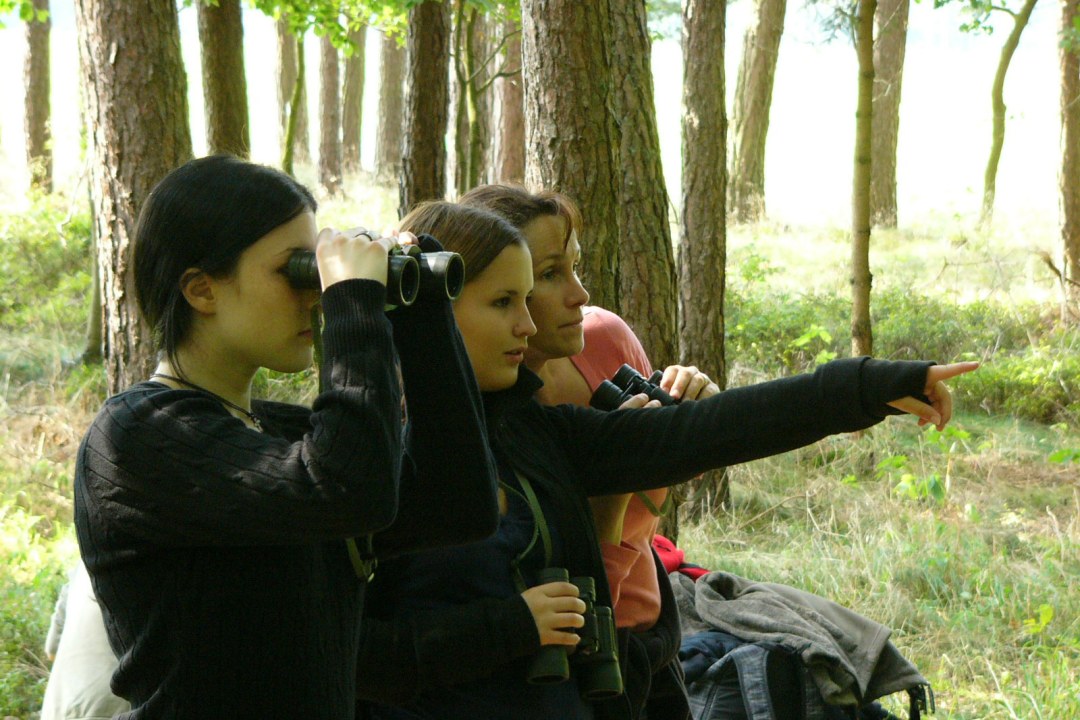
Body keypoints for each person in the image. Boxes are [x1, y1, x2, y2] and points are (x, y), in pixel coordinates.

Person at [354, 199, 977, 720]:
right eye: (502, 304)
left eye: (526, 297)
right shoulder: (366, 459)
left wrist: (867, 388)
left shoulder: (543, 434)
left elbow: (714, 430)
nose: (527, 324)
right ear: (425, 306)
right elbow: (352, 659)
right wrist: (509, 628)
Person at [73, 156, 499, 719]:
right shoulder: (135, 438)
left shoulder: (279, 435)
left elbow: (458, 505)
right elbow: (348, 489)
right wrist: (354, 303)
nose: (317, 294)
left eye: (319, 272)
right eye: (297, 270)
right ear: (203, 290)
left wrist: (421, 313)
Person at [461, 183, 717, 719]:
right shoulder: (480, 417)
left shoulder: (603, 338)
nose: (578, 294)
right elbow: (567, 585)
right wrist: (610, 502)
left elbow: (657, 509)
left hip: (653, 633)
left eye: (575, 267)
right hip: (574, 661)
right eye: (549, 275)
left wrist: (695, 419)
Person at [40, 561, 130, 720]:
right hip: (111, 708)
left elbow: (51, 649)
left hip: (56, 710)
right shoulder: (157, 558)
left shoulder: (79, 572)